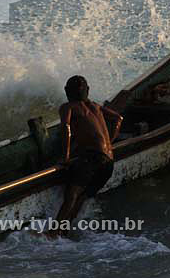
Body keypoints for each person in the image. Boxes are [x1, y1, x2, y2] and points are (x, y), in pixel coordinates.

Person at [50, 75, 123, 237]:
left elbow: (66, 129)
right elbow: (118, 118)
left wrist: (66, 156)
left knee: (72, 195)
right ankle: (66, 229)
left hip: (93, 159)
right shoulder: (95, 106)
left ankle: (53, 233)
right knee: (82, 196)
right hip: (109, 161)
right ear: (87, 91)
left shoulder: (68, 107)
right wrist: (109, 142)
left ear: (67, 91)